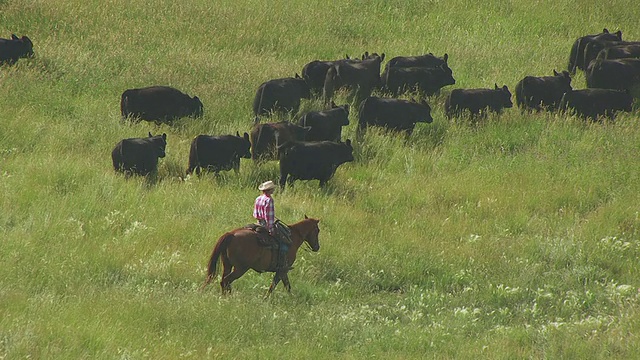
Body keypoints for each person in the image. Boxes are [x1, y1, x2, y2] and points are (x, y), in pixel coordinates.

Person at [253, 180, 289, 271]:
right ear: (270, 190)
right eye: (272, 189)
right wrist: (271, 229)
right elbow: (269, 217)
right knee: (283, 241)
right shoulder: (269, 200)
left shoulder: (258, 198)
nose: (273, 190)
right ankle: (281, 263)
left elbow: (255, 213)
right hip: (266, 224)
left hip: (258, 222)